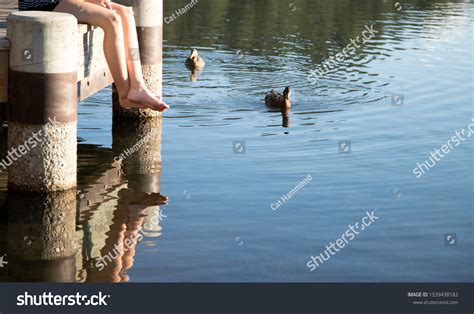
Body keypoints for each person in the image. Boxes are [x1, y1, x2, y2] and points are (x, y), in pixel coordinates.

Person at [19, 0, 169, 112]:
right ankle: (124, 93)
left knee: (126, 14)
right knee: (112, 19)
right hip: (44, 3)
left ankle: (138, 86)